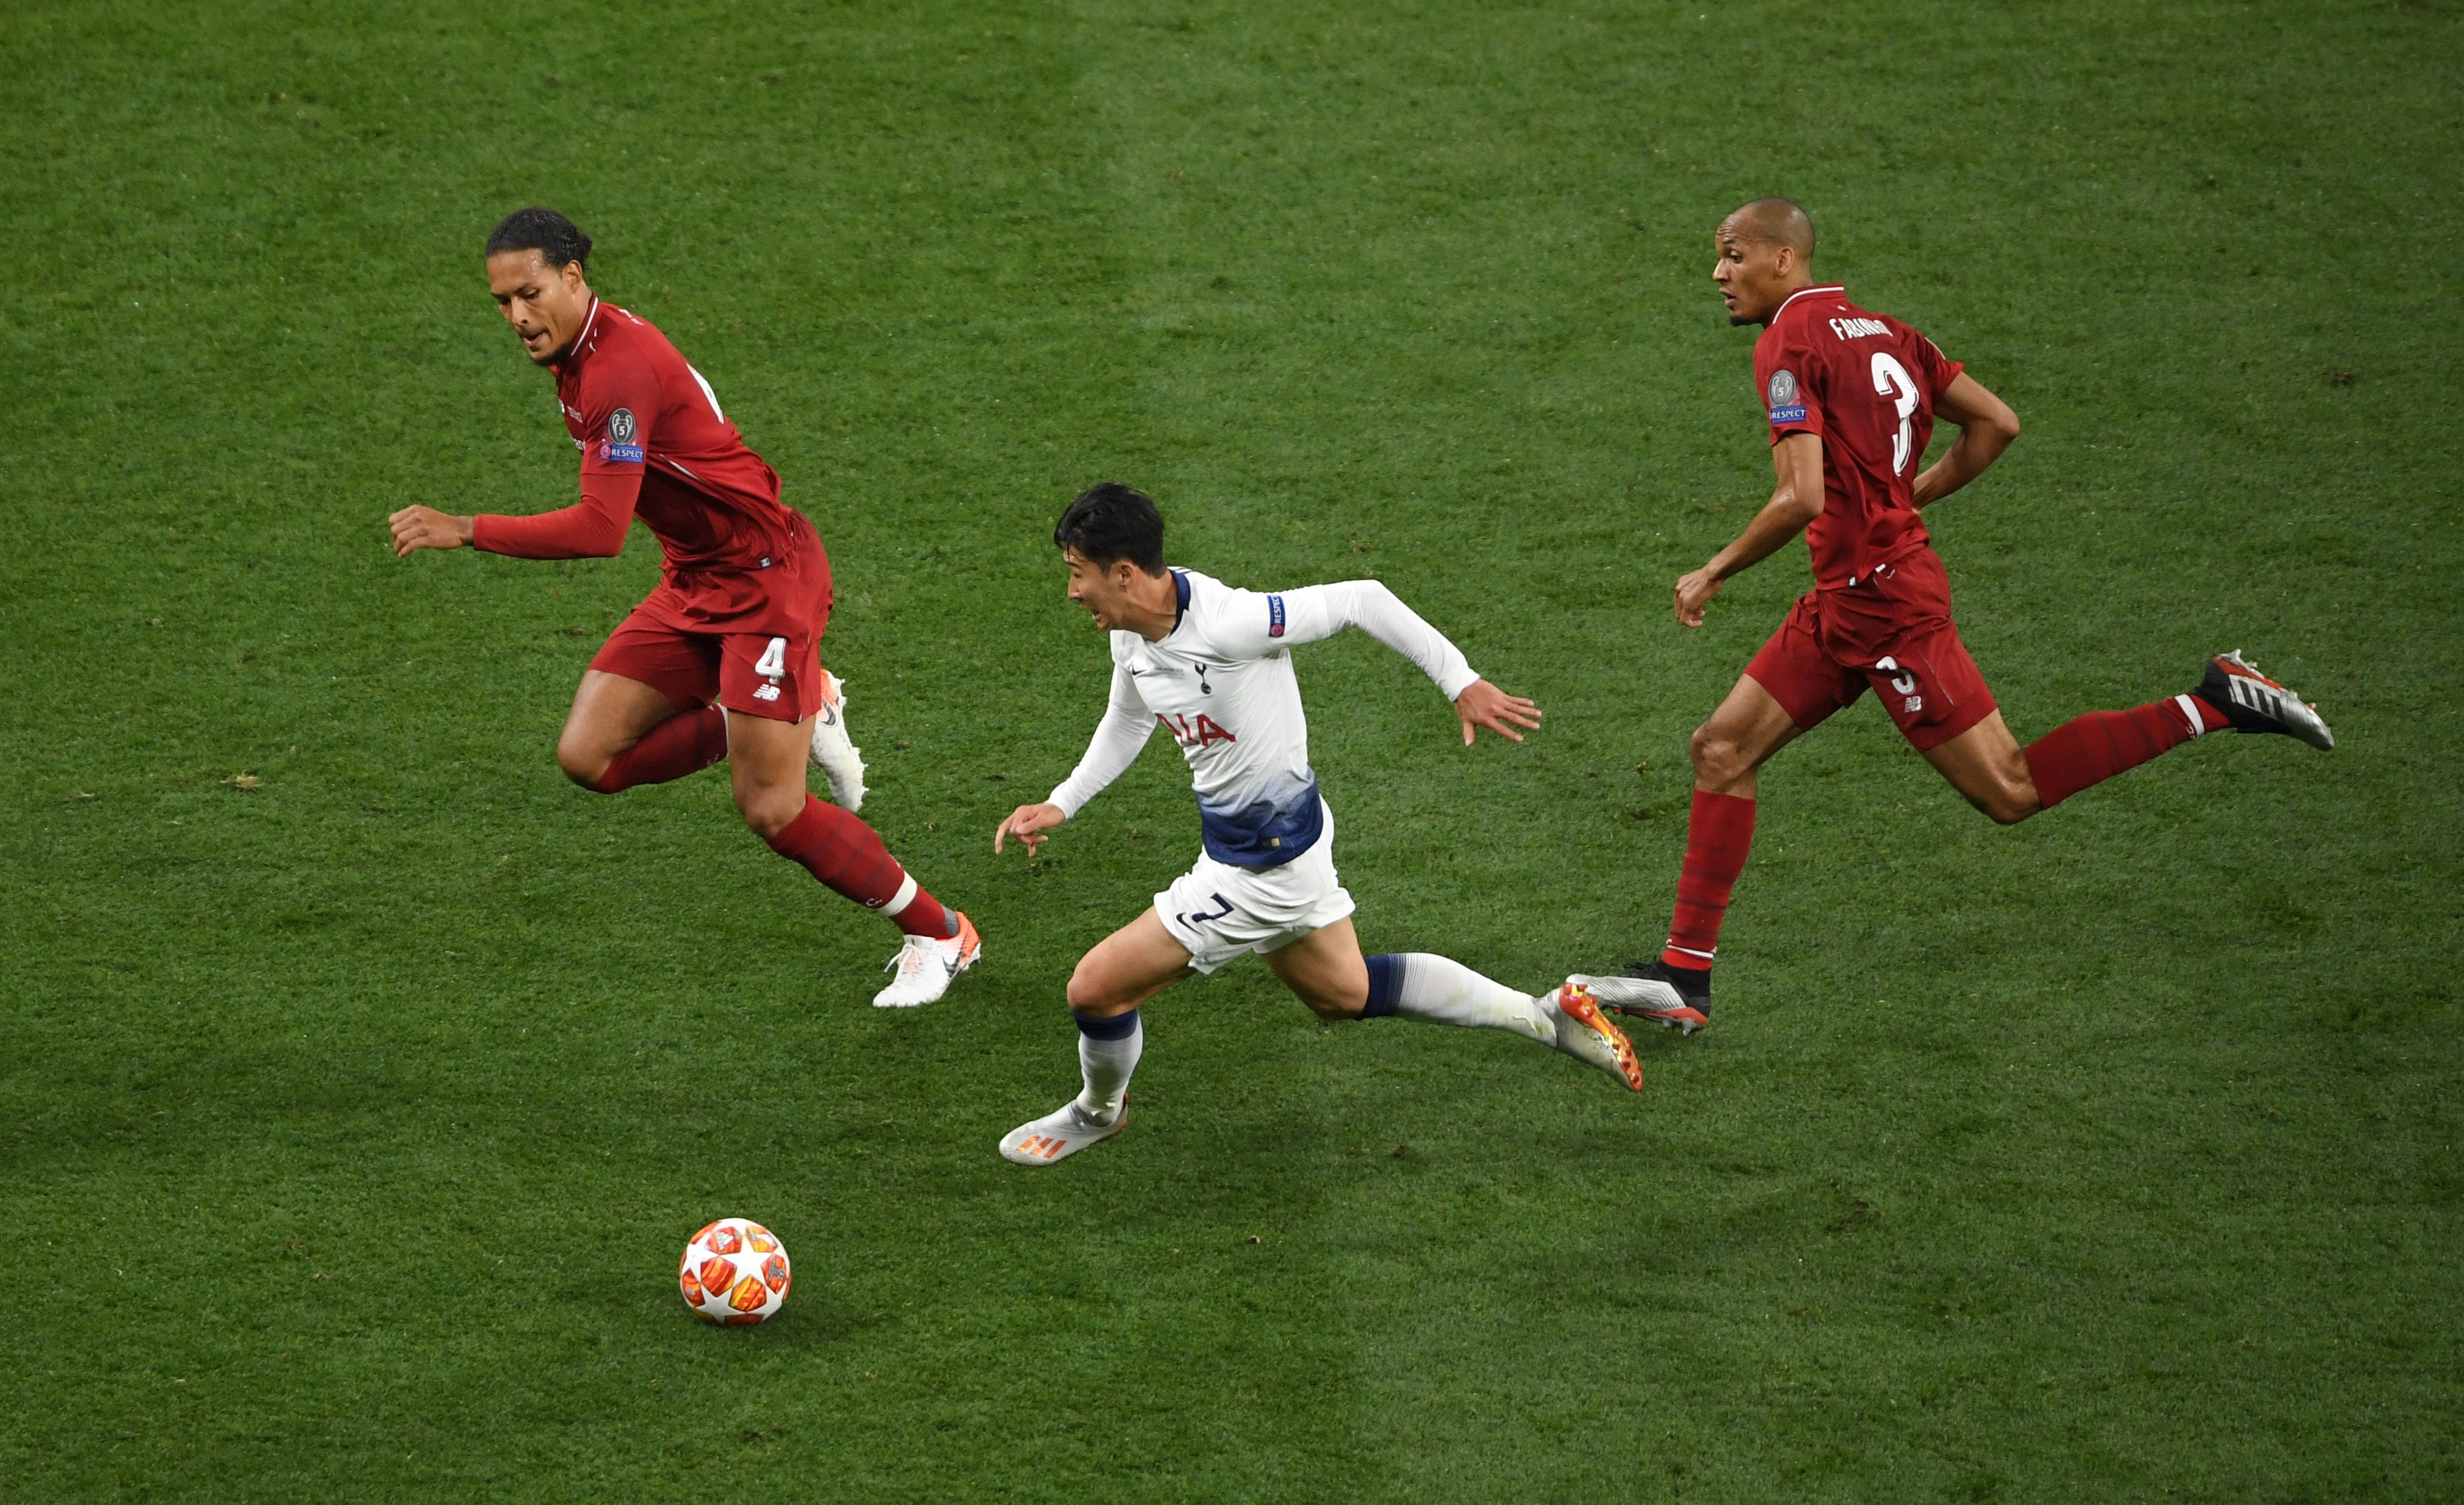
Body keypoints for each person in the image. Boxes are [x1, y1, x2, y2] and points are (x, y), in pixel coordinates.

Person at [1575, 198, 2334, 1034]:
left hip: (1891, 611)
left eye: (1731, 254)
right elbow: (1995, 422)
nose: (1718, 273)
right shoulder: (1892, 333)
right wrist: (1911, 494)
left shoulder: (1786, 343)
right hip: (1844, 602)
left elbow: (1800, 496)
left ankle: (2217, 700)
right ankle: (1685, 977)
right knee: (1720, 747)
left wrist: (1713, 568)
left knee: (2008, 789)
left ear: (1784, 259)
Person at [388, 206, 980, 1008]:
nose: (517, 317)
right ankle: (809, 704)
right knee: (588, 758)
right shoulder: (579, 352)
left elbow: (600, 530)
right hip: (698, 578)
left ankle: (939, 931)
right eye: (501, 302)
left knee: (771, 808)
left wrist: (467, 529)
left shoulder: (615, 372)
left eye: (528, 294)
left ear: (572, 277)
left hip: (769, 581)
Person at [988, 483, 1639, 1168]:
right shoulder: (1133, 636)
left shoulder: (1231, 622)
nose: (1071, 592)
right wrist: (1063, 802)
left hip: (1259, 873)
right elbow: (1128, 718)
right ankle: (1547, 1018)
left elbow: (1362, 597)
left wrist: (1460, 681)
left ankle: (1097, 1112)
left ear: (1122, 573)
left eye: (1076, 574)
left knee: (1093, 988)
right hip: (1266, 851)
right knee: (1344, 993)